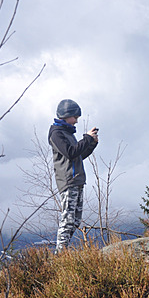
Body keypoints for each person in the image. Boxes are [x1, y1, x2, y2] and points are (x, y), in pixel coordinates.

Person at [48, 99, 99, 253]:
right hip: (68, 181)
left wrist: (91, 144)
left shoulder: (67, 133)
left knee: (75, 220)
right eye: (75, 117)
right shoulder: (56, 133)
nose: (76, 120)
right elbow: (70, 153)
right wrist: (87, 138)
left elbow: (78, 155)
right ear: (67, 115)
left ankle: (63, 249)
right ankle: (60, 252)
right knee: (68, 219)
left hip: (77, 180)